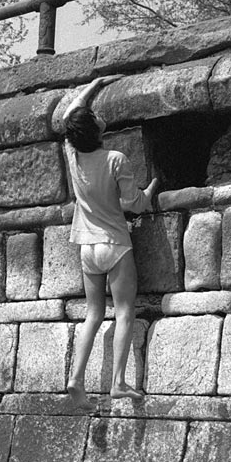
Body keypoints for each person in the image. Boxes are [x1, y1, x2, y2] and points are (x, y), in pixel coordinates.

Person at [62, 75, 159, 412]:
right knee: (124, 312)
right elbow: (133, 203)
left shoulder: (72, 154)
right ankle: (118, 381)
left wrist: (94, 84)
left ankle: (76, 377)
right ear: (96, 129)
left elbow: (70, 114)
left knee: (92, 314)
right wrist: (150, 191)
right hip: (115, 243)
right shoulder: (115, 159)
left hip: (86, 246)